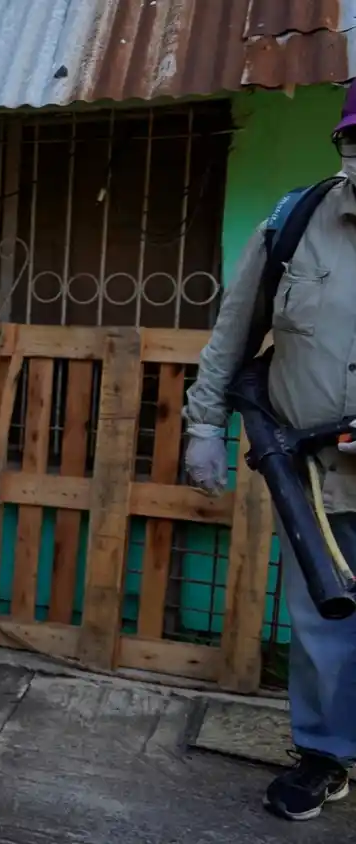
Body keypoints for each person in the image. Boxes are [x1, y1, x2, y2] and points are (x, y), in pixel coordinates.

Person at [183, 91, 356, 822]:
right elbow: (233, 332)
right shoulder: (295, 224)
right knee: (324, 623)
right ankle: (324, 756)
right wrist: (202, 427)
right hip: (313, 474)